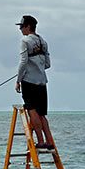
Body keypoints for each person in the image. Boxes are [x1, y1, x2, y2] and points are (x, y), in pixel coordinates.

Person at [15, 14, 52, 148]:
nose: (20, 30)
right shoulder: (43, 42)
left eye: (22, 26)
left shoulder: (25, 41)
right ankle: (49, 142)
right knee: (42, 114)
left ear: (28, 26)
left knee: (32, 111)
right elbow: (48, 64)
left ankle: (41, 142)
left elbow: (23, 62)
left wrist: (18, 80)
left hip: (29, 82)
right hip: (42, 82)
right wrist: (38, 66)